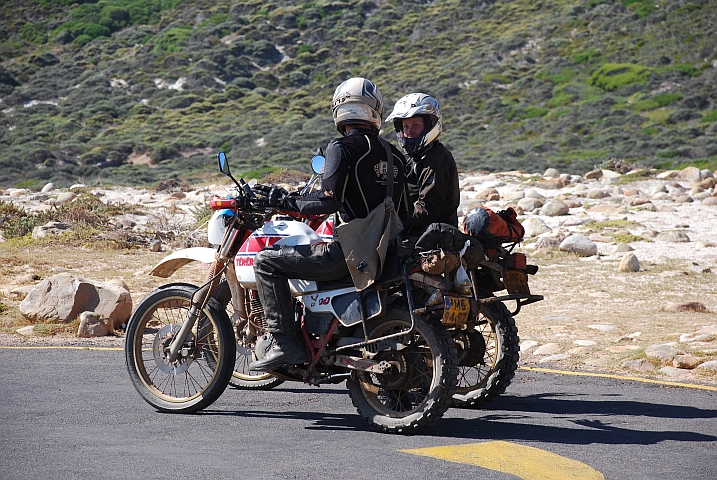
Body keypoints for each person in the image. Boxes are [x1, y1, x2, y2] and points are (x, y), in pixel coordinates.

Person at [249, 77, 408, 372]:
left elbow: (328, 201)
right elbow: (405, 211)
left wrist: (284, 202)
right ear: (375, 110)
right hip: (386, 253)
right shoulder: (394, 155)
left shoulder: (341, 147)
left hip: (347, 255)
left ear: (340, 108)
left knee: (266, 262)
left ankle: (284, 342)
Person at [385, 93, 460, 247]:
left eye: (415, 125)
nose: (409, 131)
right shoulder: (419, 158)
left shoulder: (436, 159)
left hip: (433, 239)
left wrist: (391, 220)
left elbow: (427, 210)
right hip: (419, 234)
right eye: (405, 126)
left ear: (430, 125)